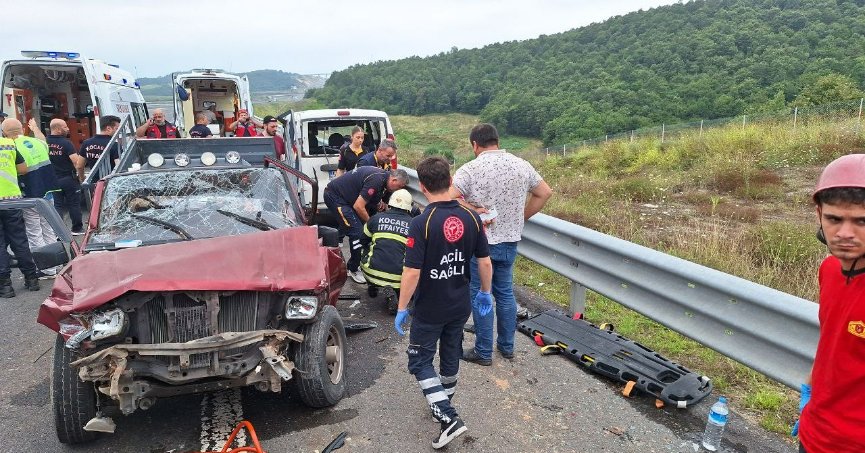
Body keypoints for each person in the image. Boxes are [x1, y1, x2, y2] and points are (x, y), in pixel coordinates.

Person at [394, 156, 493, 449]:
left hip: (430, 308)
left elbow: (412, 271)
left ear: (422, 187)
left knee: (419, 360)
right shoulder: (472, 217)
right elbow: (484, 262)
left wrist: (401, 308)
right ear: (450, 182)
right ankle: (441, 400)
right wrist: (485, 293)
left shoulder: (421, 223)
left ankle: (448, 418)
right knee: (451, 353)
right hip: (460, 304)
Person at [451, 123, 553, 365]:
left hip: (480, 243)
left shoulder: (471, 169)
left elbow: (449, 196)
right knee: (505, 294)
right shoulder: (521, 165)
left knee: (480, 293)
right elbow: (545, 192)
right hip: (510, 239)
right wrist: (522, 217)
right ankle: (507, 347)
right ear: (497, 140)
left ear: (475, 144)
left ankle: (483, 351)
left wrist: (473, 209)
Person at [795, 153, 865, 453]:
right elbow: (831, 340)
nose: (845, 234)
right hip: (814, 434)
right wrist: (808, 393)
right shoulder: (830, 270)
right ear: (819, 215)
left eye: (862, 221)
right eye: (834, 219)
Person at [323, 166, 408, 283]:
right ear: (394, 180)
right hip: (336, 197)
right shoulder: (376, 180)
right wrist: (371, 225)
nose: (396, 191)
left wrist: (379, 203)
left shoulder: (384, 180)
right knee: (357, 233)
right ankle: (353, 268)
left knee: (364, 228)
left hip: (350, 199)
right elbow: (358, 206)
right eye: (398, 187)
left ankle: (363, 259)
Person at [2, 119, 60, 274]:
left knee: (34, 232)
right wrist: (35, 129)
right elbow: (43, 142)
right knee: (49, 229)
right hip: (47, 193)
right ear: (21, 129)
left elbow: (19, 170)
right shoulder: (37, 142)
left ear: (5, 133)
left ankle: (44, 269)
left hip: (30, 194)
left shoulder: (12, 146)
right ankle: (55, 265)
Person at [359, 188, 413, 312]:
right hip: (400, 278)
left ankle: (372, 285)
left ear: (390, 203)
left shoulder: (375, 218)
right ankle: (398, 292)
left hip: (372, 272)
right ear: (409, 207)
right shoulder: (414, 224)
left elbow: (362, 240)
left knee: (365, 248)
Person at [0, 136, 40, 295]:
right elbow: (23, 169)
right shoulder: (8, 144)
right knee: (19, 239)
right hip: (11, 200)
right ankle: (31, 278)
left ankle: (5, 286)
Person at [46, 119, 85, 235]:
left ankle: (57, 232)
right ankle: (77, 229)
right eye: (65, 127)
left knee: (57, 205)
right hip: (68, 179)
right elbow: (76, 162)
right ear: (58, 129)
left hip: (52, 179)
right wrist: (81, 176)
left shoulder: (44, 142)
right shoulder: (66, 143)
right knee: (74, 204)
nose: (68, 129)